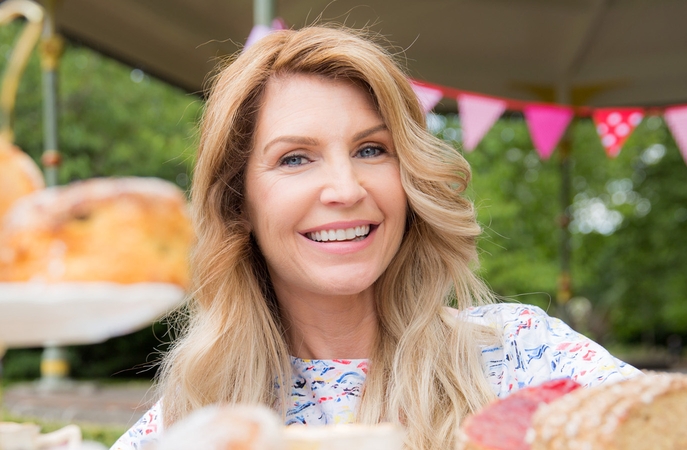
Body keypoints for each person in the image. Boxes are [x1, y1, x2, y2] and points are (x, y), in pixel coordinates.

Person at [112, 25, 639, 450]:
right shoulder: (196, 415)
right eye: (295, 158)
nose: (346, 188)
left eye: (371, 150)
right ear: (237, 202)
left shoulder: (524, 356)